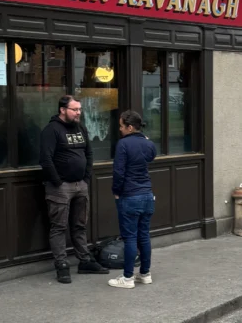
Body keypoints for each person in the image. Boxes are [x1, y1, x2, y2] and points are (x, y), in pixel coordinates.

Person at [39, 95, 109, 283]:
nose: (78, 113)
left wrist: (85, 178)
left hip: (80, 185)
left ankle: (85, 261)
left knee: (79, 225)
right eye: (74, 109)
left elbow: (89, 153)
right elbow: (45, 159)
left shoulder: (80, 128)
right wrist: (57, 181)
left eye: (79, 109)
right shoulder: (51, 130)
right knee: (59, 227)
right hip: (60, 187)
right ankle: (61, 265)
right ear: (62, 110)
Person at [108, 110, 158, 289]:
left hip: (130, 195)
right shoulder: (148, 144)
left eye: (121, 126)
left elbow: (118, 172)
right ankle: (145, 274)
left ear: (130, 127)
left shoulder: (123, 144)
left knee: (129, 238)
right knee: (144, 236)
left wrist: (116, 191)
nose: (120, 129)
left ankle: (128, 278)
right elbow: (151, 156)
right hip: (147, 195)